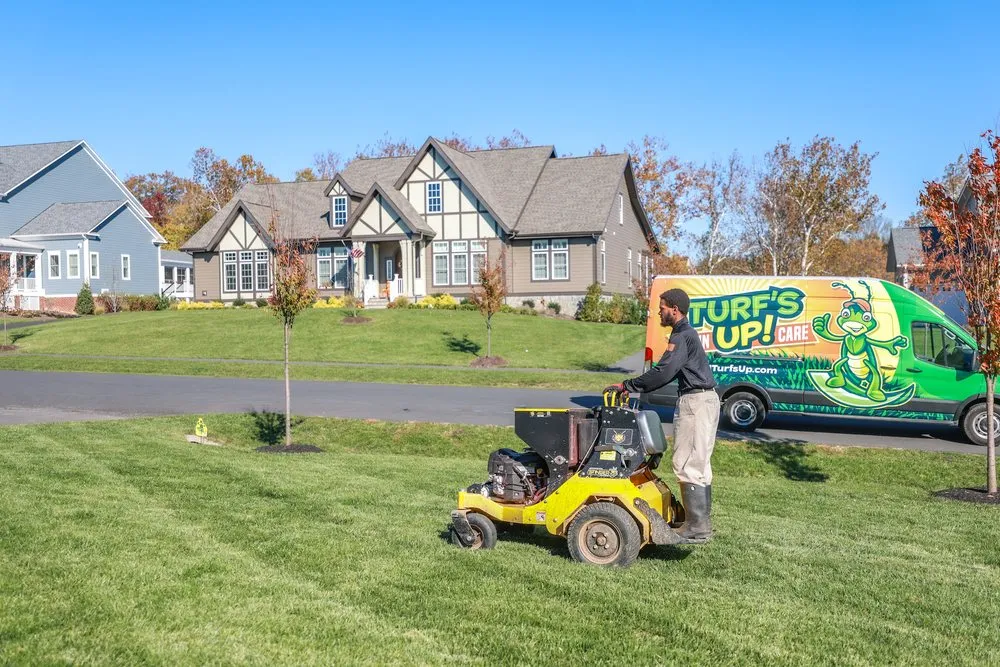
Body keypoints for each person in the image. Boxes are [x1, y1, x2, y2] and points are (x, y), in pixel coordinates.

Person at [604, 288, 719, 542]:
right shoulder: (686, 334)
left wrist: (628, 386)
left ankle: (697, 527)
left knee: (687, 462)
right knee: (698, 463)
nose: (659, 311)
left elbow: (663, 373)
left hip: (695, 402)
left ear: (675, 310)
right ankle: (700, 524)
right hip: (704, 400)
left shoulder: (681, 337)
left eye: (662, 307)